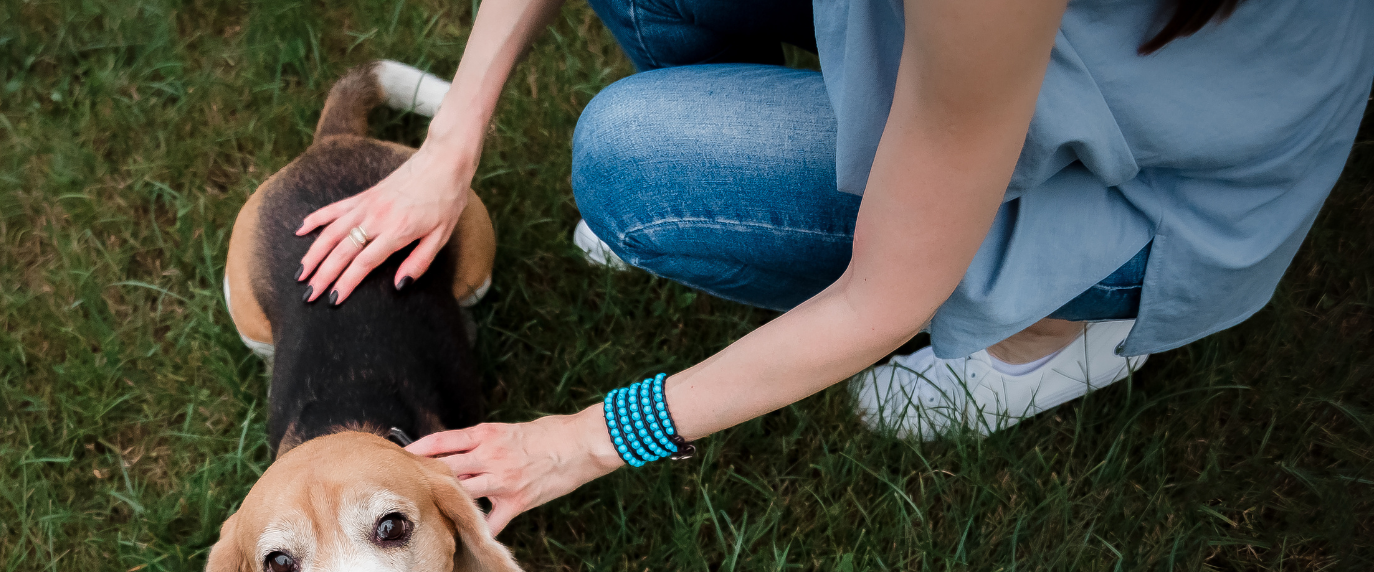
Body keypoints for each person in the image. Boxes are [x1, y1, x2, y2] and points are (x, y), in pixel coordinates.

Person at [292, 0, 1374, 534]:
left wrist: (586, 439)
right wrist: (452, 142)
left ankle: (1054, 329)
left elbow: (885, 292)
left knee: (633, 170)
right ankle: (726, 141)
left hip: (1151, 175)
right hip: (989, 70)